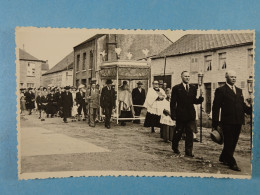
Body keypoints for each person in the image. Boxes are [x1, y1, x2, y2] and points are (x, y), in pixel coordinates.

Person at [212, 70, 252, 171]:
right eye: (231, 77)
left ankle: (223, 157)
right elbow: (216, 107)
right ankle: (232, 162)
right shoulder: (221, 90)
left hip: (238, 120)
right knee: (229, 141)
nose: (234, 78)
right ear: (226, 78)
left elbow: (241, 105)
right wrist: (215, 123)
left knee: (234, 141)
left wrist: (251, 110)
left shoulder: (239, 90)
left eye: (235, 77)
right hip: (227, 121)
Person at [170, 71, 204, 157]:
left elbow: (194, 101)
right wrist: (173, 114)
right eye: (185, 76)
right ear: (181, 77)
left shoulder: (193, 88)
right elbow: (173, 102)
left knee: (190, 133)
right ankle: (175, 146)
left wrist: (200, 98)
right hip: (180, 114)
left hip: (190, 114)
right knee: (178, 132)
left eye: (188, 76)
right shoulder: (176, 88)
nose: (187, 78)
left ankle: (188, 151)